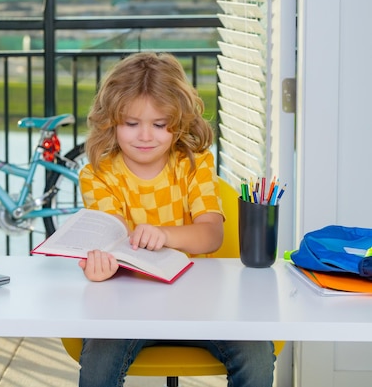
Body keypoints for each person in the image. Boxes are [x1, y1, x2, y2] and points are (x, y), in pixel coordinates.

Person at [77, 52, 275, 387]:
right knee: (98, 359)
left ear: (179, 123)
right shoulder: (97, 174)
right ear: (110, 121)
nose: (144, 136)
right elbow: (114, 240)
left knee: (256, 355)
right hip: (128, 304)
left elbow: (211, 235)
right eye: (131, 123)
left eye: (158, 125)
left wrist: (164, 235)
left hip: (200, 301)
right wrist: (102, 265)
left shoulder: (194, 164)